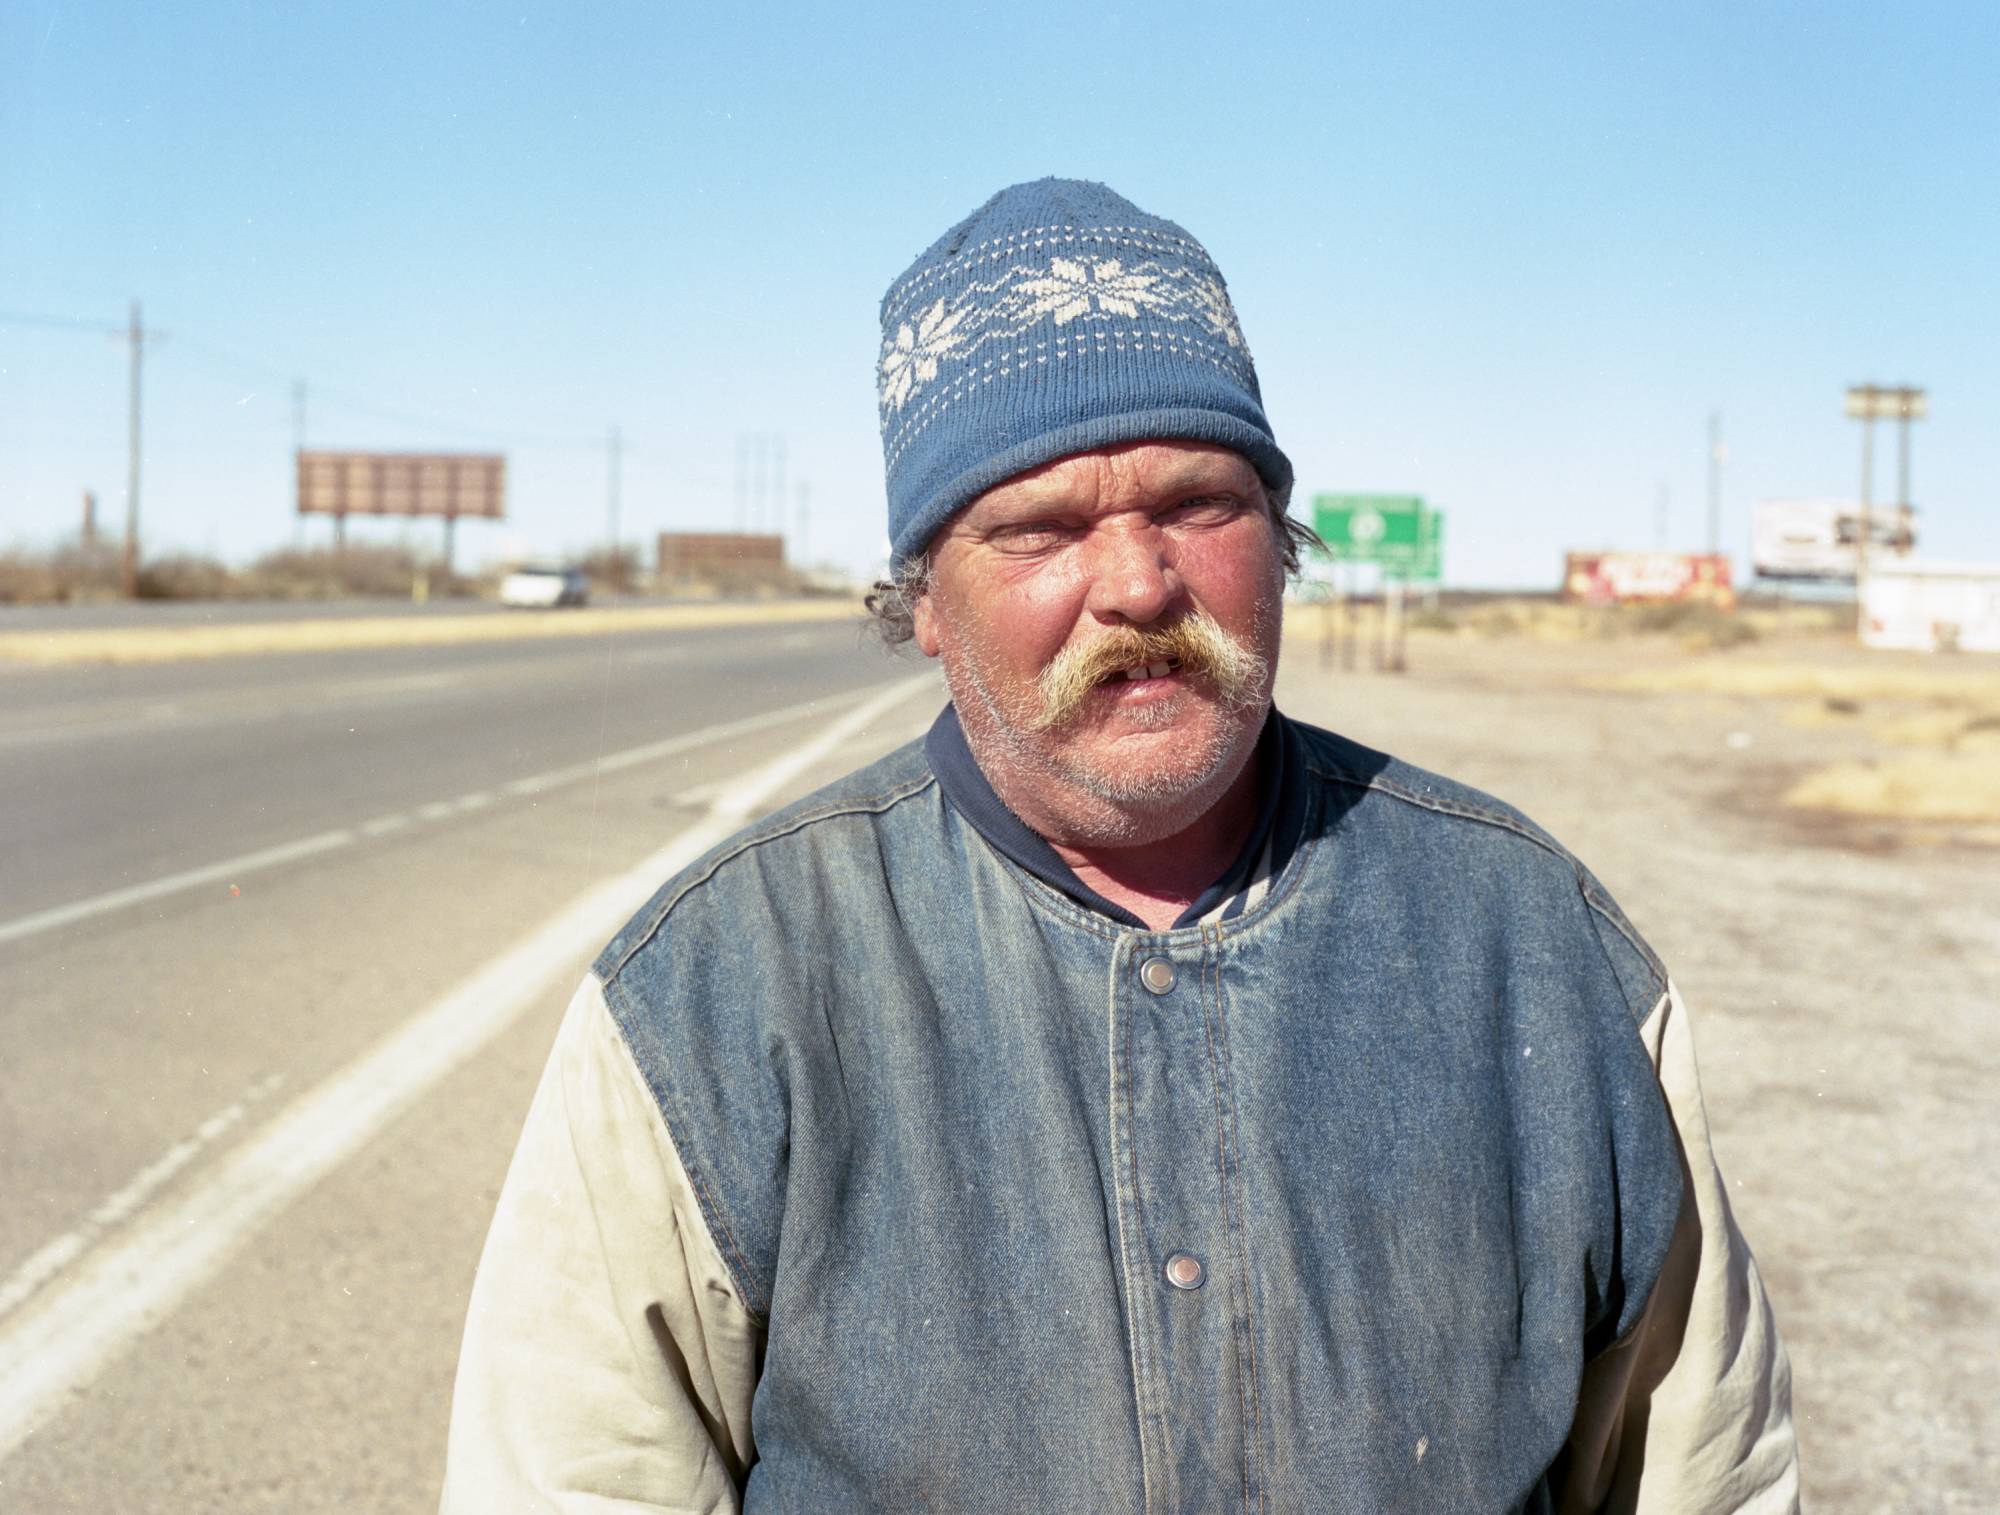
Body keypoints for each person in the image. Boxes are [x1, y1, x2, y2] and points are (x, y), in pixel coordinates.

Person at [441, 178, 1798, 1513]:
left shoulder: (1533, 947)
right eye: (1039, 529)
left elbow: (1706, 1476)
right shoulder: (717, 992)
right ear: (924, 601)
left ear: (1281, 539)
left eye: (1202, 503)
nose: (1140, 583)